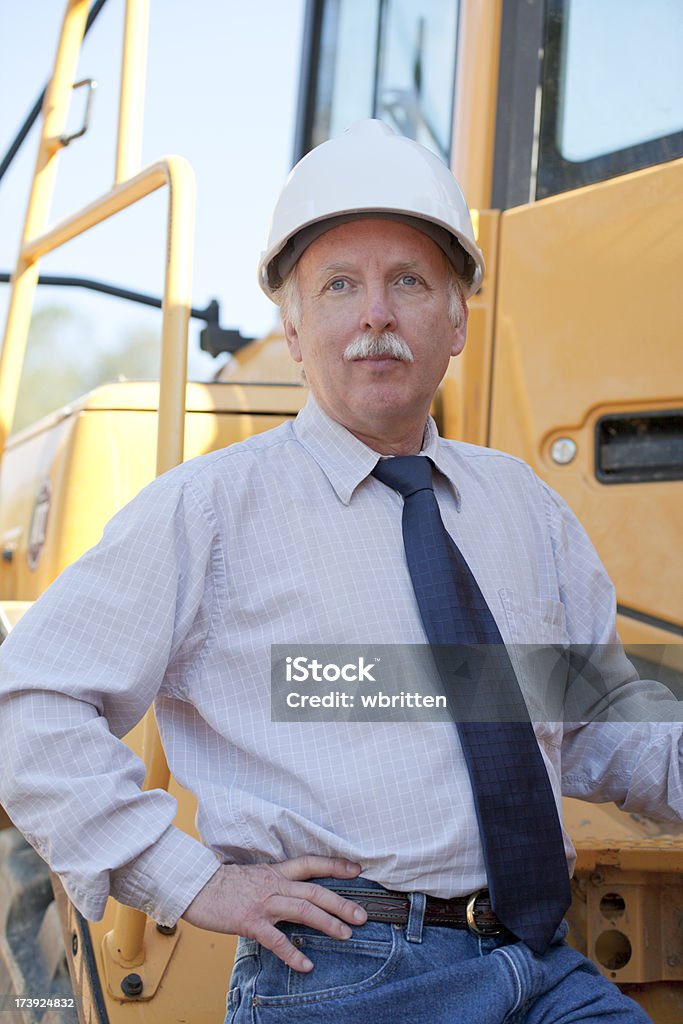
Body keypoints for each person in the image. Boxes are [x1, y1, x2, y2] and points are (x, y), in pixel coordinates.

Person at [0, 119, 680, 1023]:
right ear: (292, 326)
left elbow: (596, 729)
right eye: (339, 286)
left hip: (542, 963)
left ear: (456, 322)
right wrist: (188, 879)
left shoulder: (524, 512)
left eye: (408, 282)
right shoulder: (208, 511)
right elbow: (29, 700)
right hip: (348, 975)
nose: (375, 315)